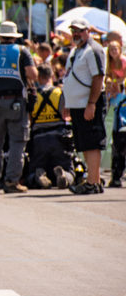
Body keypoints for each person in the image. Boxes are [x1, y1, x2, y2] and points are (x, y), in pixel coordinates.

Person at [0, 21, 38, 193]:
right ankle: (12, 181)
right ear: (14, 36)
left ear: (1, 36)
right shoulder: (21, 51)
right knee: (17, 142)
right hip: (17, 102)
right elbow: (33, 74)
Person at [62, 18, 106, 194]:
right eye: (73, 30)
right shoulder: (76, 51)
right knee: (85, 144)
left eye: (80, 30)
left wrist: (92, 104)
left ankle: (93, 182)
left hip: (88, 104)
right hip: (77, 105)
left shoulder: (93, 50)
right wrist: (67, 101)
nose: (76, 34)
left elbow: (98, 77)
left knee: (92, 144)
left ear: (88, 31)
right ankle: (92, 180)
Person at [25, 64, 76, 189]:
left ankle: (39, 175)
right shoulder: (59, 93)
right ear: (52, 75)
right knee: (70, 170)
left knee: (32, 171)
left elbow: (29, 120)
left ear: (38, 78)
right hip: (59, 137)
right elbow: (66, 115)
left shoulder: (32, 95)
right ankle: (64, 175)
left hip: (38, 138)